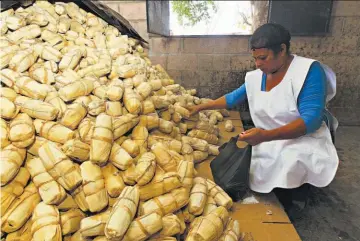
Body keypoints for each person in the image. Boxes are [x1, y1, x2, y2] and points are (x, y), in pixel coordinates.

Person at [188, 23, 339, 220]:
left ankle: (296, 197)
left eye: (263, 58)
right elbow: (234, 98)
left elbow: (310, 120)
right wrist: (201, 107)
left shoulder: (308, 71)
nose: (258, 64)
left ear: (282, 50)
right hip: (267, 136)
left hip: (303, 137)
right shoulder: (256, 76)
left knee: (290, 161)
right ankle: (280, 190)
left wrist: (266, 136)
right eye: (255, 58)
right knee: (247, 163)